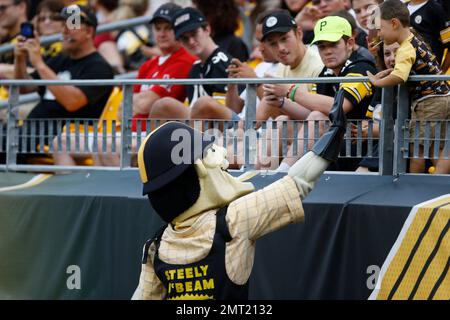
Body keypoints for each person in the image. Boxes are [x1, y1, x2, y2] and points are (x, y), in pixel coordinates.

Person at [131, 88, 347, 300]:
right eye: (211, 152)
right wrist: (334, 134)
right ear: (199, 170)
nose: (223, 154)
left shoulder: (156, 245)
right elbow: (295, 184)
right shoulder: (234, 220)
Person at [53, 2, 197, 167]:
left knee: (106, 146)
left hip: (157, 135)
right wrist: (140, 101)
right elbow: (124, 108)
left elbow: (144, 104)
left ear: (179, 30)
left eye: (168, 28)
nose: (162, 34)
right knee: (60, 142)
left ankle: (112, 192)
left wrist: (139, 101)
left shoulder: (185, 60)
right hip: (130, 132)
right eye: (158, 28)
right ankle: (76, 191)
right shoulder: (149, 65)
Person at [275, 16, 377, 171]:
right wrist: (281, 101)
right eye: (322, 46)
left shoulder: (361, 67)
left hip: (362, 147)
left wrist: (291, 91)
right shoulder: (326, 72)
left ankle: (283, 173)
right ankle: (256, 175)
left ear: (349, 43)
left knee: (318, 118)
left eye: (334, 44)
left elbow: (340, 107)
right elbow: (309, 116)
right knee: (283, 121)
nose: (327, 51)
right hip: (337, 143)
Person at [14, 4, 114, 151]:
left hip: (61, 137)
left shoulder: (99, 67)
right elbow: (24, 87)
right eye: (64, 24)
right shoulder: (61, 59)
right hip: (30, 133)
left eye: (72, 24)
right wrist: (20, 60)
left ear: (89, 31)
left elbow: (72, 102)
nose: (65, 30)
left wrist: (39, 63)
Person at [367, 0, 450, 174]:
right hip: (442, 98)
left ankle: (411, 185)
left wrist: (377, 82)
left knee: (417, 150)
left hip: (430, 102)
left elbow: (399, 76)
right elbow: (399, 70)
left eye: (380, 29)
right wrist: (384, 74)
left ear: (394, 23)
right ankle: (440, 185)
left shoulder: (405, 49)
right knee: (436, 146)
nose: (379, 34)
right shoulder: (414, 37)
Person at [149, 7, 240, 126]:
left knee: (201, 104)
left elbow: (226, 112)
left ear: (207, 29)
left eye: (194, 34)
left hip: (233, 129)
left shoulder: (221, 62)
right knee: (162, 106)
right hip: (204, 129)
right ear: (180, 42)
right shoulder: (195, 68)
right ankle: (151, 144)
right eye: (185, 38)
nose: (191, 41)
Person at [256, 9, 324, 123]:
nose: (280, 48)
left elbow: (318, 119)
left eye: (284, 39)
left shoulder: (319, 66)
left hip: (320, 136)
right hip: (299, 135)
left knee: (282, 121)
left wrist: (283, 101)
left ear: (299, 34)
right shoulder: (283, 65)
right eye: (273, 44)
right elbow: (262, 113)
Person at [406, 0, 450, 73]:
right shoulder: (400, 9)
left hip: (428, 76)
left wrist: (442, 73)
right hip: (403, 74)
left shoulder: (436, 9)